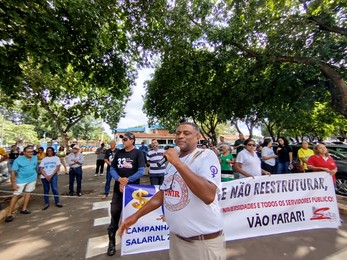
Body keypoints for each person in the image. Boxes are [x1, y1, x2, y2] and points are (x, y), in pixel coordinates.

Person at [118, 122, 225, 260]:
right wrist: (135, 216)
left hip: (202, 243)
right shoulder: (171, 164)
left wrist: (177, 162)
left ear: (198, 137)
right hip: (176, 240)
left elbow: (208, 195)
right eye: (178, 133)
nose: (180, 136)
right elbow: (163, 193)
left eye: (186, 133)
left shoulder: (205, 156)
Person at [106, 132, 145, 256]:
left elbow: (141, 171)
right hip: (119, 188)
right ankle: (111, 242)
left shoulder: (138, 154)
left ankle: (134, 241)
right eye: (122, 139)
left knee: (132, 214)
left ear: (132, 140)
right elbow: (112, 168)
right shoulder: (119, 152)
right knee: (115, 212)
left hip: (132, 190)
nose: (123, 141)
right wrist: (119, 179)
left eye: (126, 139)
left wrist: (127, 180)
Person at [5, 146, 38, 222]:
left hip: (32, 178)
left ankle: (24, 208)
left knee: (28, 193)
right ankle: (9, 214)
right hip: (21, 180)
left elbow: (34, 168)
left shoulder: (34, 158)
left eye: (32, 151)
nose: (31, 153)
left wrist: (37, 178)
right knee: (16, 195)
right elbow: (13, 172)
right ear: (24, 152)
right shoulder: (18, 160)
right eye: (29, 152)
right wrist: (13, 183)